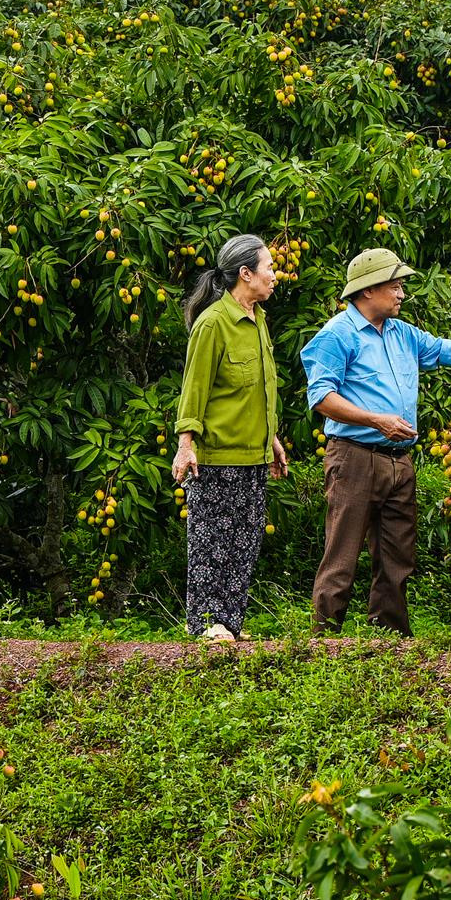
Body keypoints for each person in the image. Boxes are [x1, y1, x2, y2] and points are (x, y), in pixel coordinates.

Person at [300, 247, 451, 637]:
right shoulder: (336, 335)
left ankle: (391, 640)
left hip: (400, 459)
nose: (401, 294)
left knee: (397, 554)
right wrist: (375, 420)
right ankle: (322, 643)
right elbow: (321, 397)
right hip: (354, 457)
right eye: (395, 286)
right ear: (367, 290)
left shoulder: (403, 333)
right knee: (342, 554)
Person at [171, 234, 290, 641]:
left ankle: (230, 624)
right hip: (216, 458)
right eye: (269, 267)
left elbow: (261, 389)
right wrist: (186, 446)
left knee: (246, 540)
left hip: (253, 456)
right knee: (211, 544)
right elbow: (195, 390)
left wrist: (271, 438)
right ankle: (207, 624)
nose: (275, 275)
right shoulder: (213, 324)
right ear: (245, 274)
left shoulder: (258, 321)